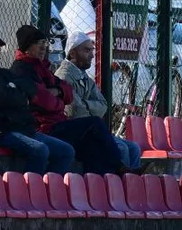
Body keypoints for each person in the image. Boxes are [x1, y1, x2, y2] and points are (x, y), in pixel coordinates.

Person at [9, 24, 124, 175]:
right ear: (26, 47)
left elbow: (70, 94)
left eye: (45, 43)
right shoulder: (21, 70)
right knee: (95, 124)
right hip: (44, 127)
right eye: (38, 43)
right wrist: (59, 97)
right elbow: (48, 102)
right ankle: (120, 169)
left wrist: (57, 92)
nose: (44, 47)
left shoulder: (44, 68)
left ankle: (99, 190)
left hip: (58, 123)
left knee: (93, 147)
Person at [0, 33, 75, 174]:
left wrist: (16, 91)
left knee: (66, 151)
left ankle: (47, 189)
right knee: (39, 150)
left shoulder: (1, 73)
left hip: (21, 129)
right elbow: (3, 99)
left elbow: (29, 87)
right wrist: (19, 95)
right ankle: (31, 190)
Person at [55, 32, 142, 173]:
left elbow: (103, 105)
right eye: (86, 50)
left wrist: (86, 105)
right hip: (78, 133)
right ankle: (117, 187)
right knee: (122, 148)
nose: (92, 55)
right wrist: (91, 109)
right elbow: (74, 111)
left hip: (91, 130)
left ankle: (132, 188)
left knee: (134, 148)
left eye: (92, 50)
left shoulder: (84, 76)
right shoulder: (64, 76)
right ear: (72, 54)